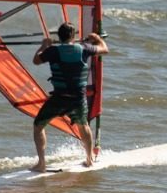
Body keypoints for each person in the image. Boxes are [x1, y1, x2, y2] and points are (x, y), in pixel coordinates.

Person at [29, 22, 108, 171]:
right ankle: (89, 159)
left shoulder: (53, 51)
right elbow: (105, 49)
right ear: (73, 36)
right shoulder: (84, 48)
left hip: (59, 98)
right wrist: (97, 38)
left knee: (38, 126)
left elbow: (36, 60)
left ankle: (41, 164)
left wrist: (44, 45)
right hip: (78, 99)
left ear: (59, 36)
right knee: (83, 125)